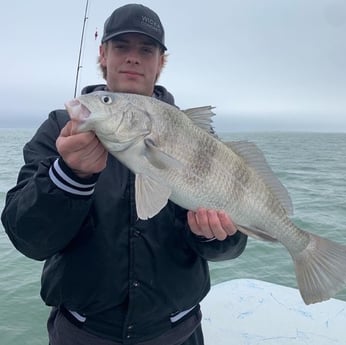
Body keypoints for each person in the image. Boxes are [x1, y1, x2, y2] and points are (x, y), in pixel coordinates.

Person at [1, 4, 247, 345]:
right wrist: (69, 176)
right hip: (81, 333)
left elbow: (231, 245)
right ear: (103, 54)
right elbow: (28, 239)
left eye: (146, 50)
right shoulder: (60, 129)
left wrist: (214, 235)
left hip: (177, 332)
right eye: (121, 47)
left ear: (161, 61)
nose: (133, 58)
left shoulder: (197, 138)